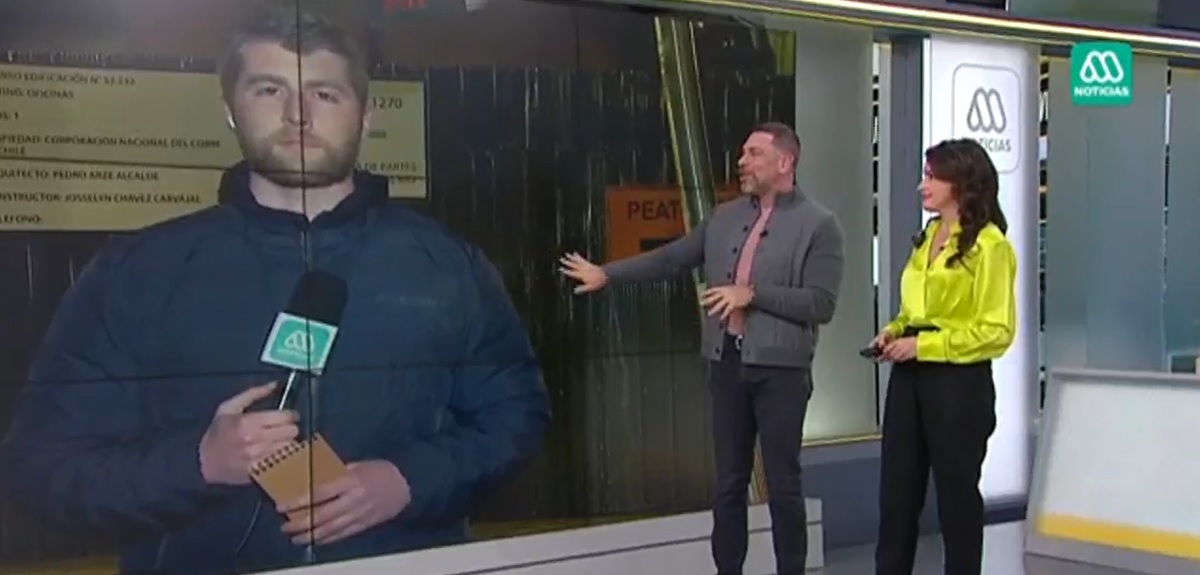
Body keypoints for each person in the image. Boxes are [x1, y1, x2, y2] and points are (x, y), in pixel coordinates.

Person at [0, 5, 550, 575]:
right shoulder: (136, 273)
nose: (298, 114)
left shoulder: (448, 266)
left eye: (325, 94)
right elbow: (39, 469)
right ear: (229, 110)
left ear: (366, 116)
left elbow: (514, 420)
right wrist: (198, 463)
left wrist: (409, 480)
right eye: (269, 89)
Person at [560, 122, 844, 575]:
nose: (742, 162)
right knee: (729, 482)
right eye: (742, 153)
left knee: (783, 483)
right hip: (726, 364)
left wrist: (752, 294)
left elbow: (821, 304)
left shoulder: (820, 225)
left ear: (785, 161)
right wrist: (607, 274)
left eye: (753, 154)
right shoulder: (724, 216)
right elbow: (671, 258)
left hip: (782, 372)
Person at [869, 138, 1016, 575]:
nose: (922, 185)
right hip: (908, 378)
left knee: (956, 498)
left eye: (932, 177)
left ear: (962, 182)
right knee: (897, 496)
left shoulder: (990, 246)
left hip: (958, 384)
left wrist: (925, 346)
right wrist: (894, 331)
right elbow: (916, 311)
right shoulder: (928, 237)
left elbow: (996, 331)